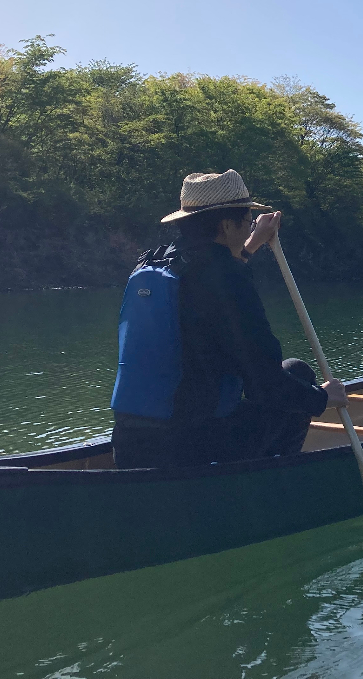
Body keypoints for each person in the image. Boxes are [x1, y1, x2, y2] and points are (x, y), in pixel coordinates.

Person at [110, 169, 348, 469]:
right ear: (226, 225)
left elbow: (207, 283)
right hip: (189, 449)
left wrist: (253, 243)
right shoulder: (227, 279)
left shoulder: (154, 262)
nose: (250, 227)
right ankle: (269, 482)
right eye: (248, 221)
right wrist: (321, 400)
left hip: (128, 445)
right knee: (297, 373)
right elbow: (265, 382)